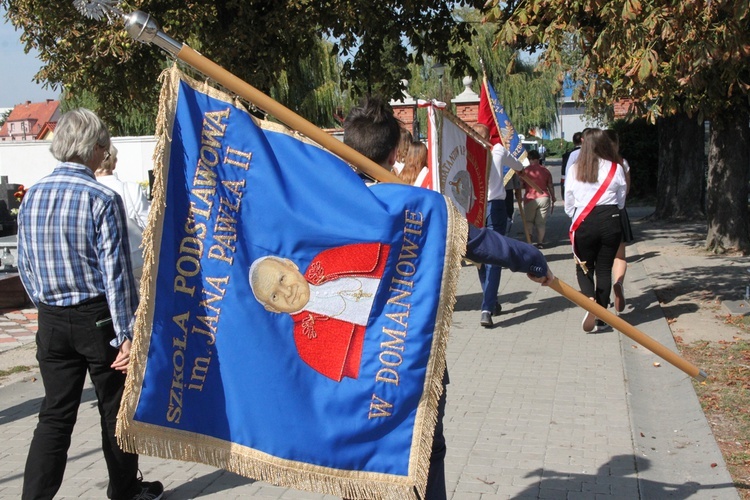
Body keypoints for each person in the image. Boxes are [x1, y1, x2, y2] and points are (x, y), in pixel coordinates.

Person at [345, 97, 553, 500]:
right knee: (425, 454)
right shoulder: (419, 206)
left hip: (352, 363)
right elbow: (484, 242)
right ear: (393, 153)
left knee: (357, 461)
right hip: (409, 357)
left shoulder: (324, 204)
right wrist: (533, 260)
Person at [16, 108, 163, 500]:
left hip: (50, 319)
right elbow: (114, 275)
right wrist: (126, 335)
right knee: (114, 409)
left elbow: (24, 265)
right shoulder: (101, 197)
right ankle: (125, 490)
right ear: (93, 149)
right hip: (97, 316)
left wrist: (45, 307)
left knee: (54, 415)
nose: (105, 152)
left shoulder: (32, 196)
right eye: (104, 145)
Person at [249, 242, 390, 382]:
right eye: (275, 296)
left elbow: (394, 257)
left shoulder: (326, 259)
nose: (287, 292)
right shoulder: (307, 345)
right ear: (273, 308)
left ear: (291, 265)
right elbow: (373, 368)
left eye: (282, 279)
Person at [564, 128, 627, 333]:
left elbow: (568, 202)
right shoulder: (615, 168)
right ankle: (602, 314)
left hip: (584, 220)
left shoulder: (575, 169)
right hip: (610, 219)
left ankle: (589, 300)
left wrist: (575, 212)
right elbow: (621, 200)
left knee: (583, 266)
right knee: (604, 269)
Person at [471, 123, 526, 328]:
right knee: (494, 256)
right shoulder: (498, 150)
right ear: (488, 137)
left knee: (479, 257)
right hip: (494, 207)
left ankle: (490, 300)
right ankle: (488, 305)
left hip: (475, 208)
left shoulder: (468, 153)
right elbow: (518, 165)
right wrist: (521, 171)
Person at [95, 144, 151, 279]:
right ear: (114, 163)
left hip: (100, 267)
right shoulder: (131, 188)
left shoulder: (87, 191)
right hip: (135, 261)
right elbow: (149, 224)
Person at [606, 129, 633, 314]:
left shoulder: (591, 164)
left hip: (595, 214)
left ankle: (601, 295)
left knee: (600, 260)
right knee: (619, 256)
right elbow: (626, 189)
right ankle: (618, 282)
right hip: (618, 211)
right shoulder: (622, 163)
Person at [521, 150, 556, 248]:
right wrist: (553, 197)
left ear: (529, 159)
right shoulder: (545, 170)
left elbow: (521, 185)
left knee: (529, 222)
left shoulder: (525, 171)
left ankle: (529, 242)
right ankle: (540, 243)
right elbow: (550, 185)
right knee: (541, 223)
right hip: (544, 197)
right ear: (538, 159)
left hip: (530, 198)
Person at [560, 131, 583, 201]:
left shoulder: (568, 155)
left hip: (569, 180)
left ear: (573, 142)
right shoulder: (590, 153)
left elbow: (566, 170)